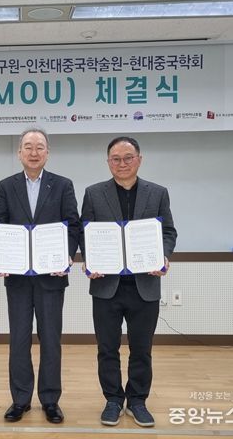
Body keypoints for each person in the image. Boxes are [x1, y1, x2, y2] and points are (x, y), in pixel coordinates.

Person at [80, 136, 177, 428]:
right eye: (116, 159)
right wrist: (89, 259)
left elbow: (168, 232)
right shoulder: (94, 193)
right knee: (107, 348)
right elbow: (86, 233)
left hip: (144, 285)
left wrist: (164, 256)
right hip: (106, 285)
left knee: (142, 349)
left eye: (127, 158)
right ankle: (112, 400)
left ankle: (137, 401)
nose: (122, 164)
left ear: (139, 160)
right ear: (108, 162)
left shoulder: (157, 193)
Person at [0, 128, 80, 424]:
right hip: (17, 278)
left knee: (51, 339)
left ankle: (50, 400)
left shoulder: (63, 185)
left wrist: (67, 254)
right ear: (19, 152)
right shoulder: (6, 186)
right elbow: (0, 225)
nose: (33, 152)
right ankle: (20, 399)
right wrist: (0, 256)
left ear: (47, 153)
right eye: (28, 147)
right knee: (18, 339)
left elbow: (73, 225)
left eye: (39, 147)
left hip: (51, 277)